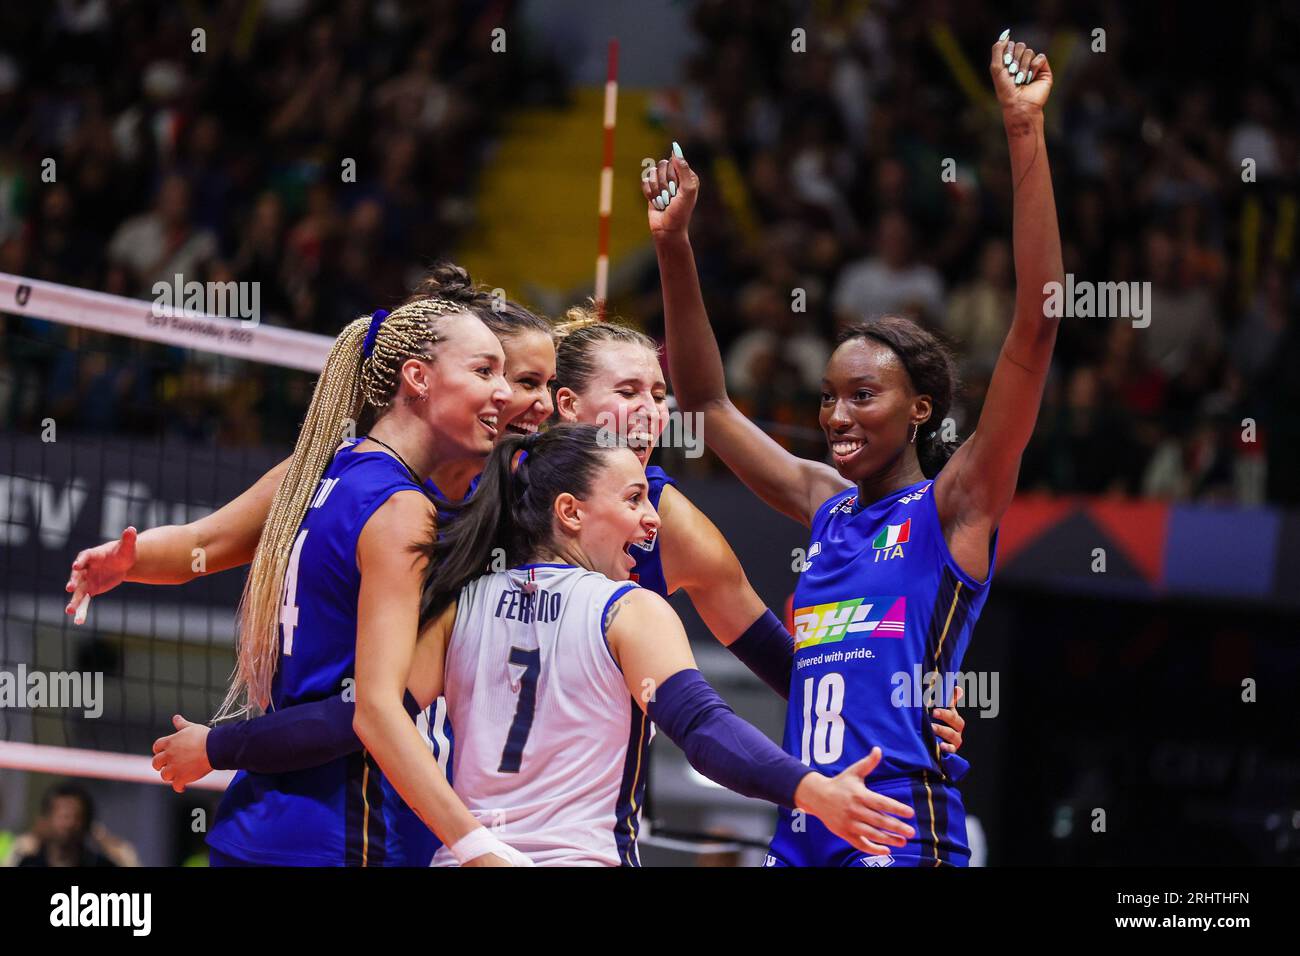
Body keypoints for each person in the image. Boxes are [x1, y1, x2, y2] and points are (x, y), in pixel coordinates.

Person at [644, 31, 1063, 866]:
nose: (837, 414)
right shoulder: (822, 504)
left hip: (900, 829)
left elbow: (1039, 319)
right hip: (803, 829)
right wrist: (674, 247)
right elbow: (705, 403)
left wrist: (1021, 129)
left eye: (862, 396)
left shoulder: (958, 500)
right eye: (830, 395)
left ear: (921, 409)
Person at [405, 423, 917, 865]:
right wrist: (812, 790)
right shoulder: (628, 608)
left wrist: (470, 842)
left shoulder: (462, 603)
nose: (653, 517)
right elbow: (702, 728)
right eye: (634, 499)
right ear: (571, 512)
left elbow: (380, 721)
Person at [202, 291, 528, 866]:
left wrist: (122, 562)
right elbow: (375, 710)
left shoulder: (318, 471)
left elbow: (197, 548)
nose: (504, 393)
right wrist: (479, 847)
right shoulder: (399, 507)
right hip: (346, 829)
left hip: (255, 823)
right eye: (485, 371)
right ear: (417, 377)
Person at [14, 783, 117, 867]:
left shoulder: (101, 865)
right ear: (45, 820)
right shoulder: (27, 863)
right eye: (63, 816)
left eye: (76, 817)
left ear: (87, 822)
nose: (69, 824)